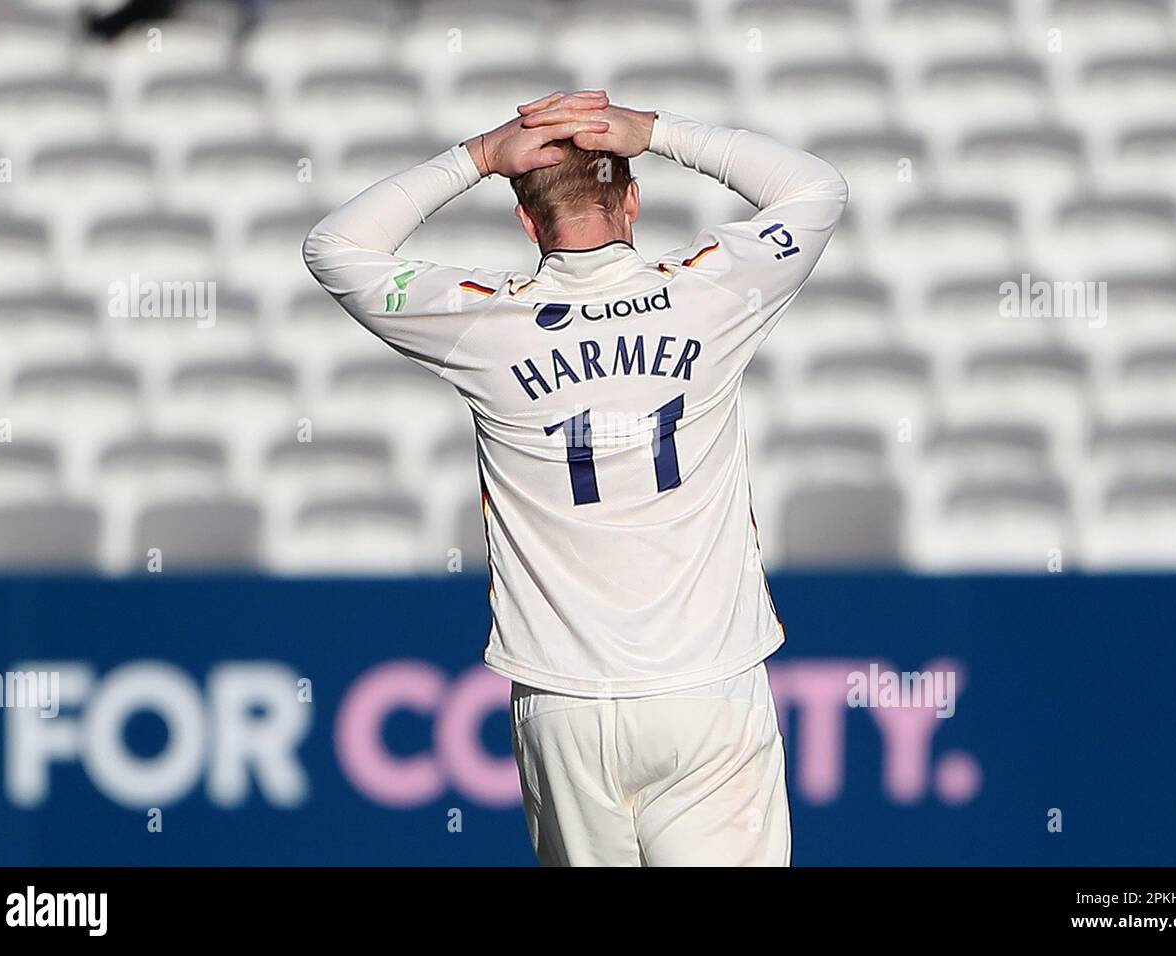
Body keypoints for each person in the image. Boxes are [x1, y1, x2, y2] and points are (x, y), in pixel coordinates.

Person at [304, 90, 848, 866]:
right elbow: (817, 188)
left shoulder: (484, 323)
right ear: (631, 201)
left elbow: (334, 247)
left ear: (527, 222)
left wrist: (481, 156)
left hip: (561, 700)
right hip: (705, 686)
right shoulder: (707, 292)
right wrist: (657, 131)